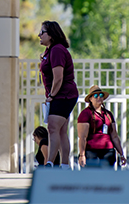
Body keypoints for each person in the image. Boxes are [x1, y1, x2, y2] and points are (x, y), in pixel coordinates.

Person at [39, 20, 78, 169]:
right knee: (61, 131)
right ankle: (65, 165)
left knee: (53, 127)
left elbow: (59, 77)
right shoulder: (50, 51)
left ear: (51, 34)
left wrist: (52, 95)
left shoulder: (57, 50)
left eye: (42, 32)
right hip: (62, 95)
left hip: (64, 95)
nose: (39, 35)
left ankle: (50, 163)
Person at [77, 85, 126, 168]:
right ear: (90, 99)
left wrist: (121, 154)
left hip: (108, 151)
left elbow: (114, 136)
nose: (99, 97)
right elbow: (82, 137)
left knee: (107, 177)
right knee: (91, 177)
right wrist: (82, 155)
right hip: (91, 151)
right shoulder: (85, 114)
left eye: (101, 95)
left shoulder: (108, 114)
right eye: (95, 95)